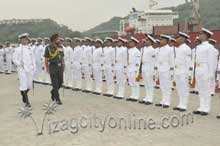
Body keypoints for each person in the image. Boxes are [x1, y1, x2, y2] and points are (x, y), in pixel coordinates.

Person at [193, 28, 215, 116]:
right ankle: (201, 107)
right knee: (200, 90)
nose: (200, 35)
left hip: (205, 69)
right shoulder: (199, 46)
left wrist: (210, 74)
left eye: (201, 34)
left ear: (206, 36)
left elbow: (212, 62)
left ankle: (206, 108)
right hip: (198, 69)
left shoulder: (210, 47)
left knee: (206, 90)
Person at [13, 33, 36, 107]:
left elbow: (33, 59)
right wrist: (19, 64)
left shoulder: (30, 49)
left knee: (29, 85)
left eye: (26, 39)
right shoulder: (17, 49)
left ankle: (23, 93)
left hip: (30, 69)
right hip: (22, 69)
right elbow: (14, 59)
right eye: (24, 39)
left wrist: (34, 67)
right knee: (23, 84)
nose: (25, 41)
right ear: (21, 40)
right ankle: (27, 102)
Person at [172, 32, 192, 112]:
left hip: (183, 71)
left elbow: (188, 62)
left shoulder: (186, 48)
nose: (177, 39)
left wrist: (188, 74)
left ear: (183, 39)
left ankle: (184, 105)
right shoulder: (178, 48)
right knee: (179, 88)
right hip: (177, 70)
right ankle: (180, 103)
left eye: (179, 38)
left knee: (184, 88)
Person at [44, 33, 64, 105]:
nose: (59, 40)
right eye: (58, 39)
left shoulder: (60, 47)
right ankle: (57, 99)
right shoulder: (48, 48)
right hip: (53, 67)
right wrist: (47, 69)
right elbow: (46, 59)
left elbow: (62, 58)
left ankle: (53, 92)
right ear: (54, 40)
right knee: (55, 84)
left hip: (60, 67)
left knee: (60, 83)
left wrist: (63, 66)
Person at [155, 35, 174, 108]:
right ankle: (163, 100)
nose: (161, 41)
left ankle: (167, 102)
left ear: (166, 41)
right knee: (162, 86)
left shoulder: (170, 49)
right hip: (160, 69)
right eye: (161, 40)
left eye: (162, 40)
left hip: (167, 69)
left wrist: (171, 72)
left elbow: (172, 61)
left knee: (167, 86)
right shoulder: (160, 49)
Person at [126, 36, 141, 102]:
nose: (129, 43)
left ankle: (136, 96)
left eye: (131, 42)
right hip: (129, 68)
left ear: (134, 43)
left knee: (135, 83)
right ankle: (132, 95)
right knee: (131, 82)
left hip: (134, 69)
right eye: (129, 42)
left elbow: (138, 62)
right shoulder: (129, 50)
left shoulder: (137, 51)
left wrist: (137, 71)